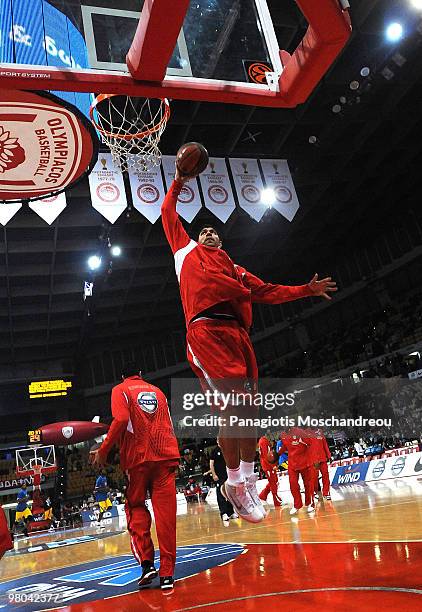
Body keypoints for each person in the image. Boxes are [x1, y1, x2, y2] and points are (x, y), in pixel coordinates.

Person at [161, 167, 337, 523]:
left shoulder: (236, 270)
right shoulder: (185, 253)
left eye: (214, 231)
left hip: (239, 337)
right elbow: (168, 213)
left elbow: (268, 291)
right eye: (203, 230)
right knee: (232, 412)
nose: (208, 232)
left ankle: (243, 479)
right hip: (206, 332)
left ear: (222, 242)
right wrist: (179, 179)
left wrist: (306, 289)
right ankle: (236, 481)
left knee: (249, 414)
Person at [90, 362, 180, 591]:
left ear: (122, 376)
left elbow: (120, 419)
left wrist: (104, 450)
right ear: (141, 374)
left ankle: (147, 563)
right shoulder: (158, 392)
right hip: (165, 456)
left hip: (138, 460)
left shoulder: (120, 390)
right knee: (166, 518)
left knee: (136, 507)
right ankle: (168, 575)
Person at [277, 428, 314, 515]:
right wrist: (277, 454)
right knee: (293, 484)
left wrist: (304, 443)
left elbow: (309, 442)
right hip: (292, 464)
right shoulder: (283, 435)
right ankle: (297, 505)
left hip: (304, 462)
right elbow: (285, 446)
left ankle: (310, 504)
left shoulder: (300, 431)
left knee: (307, 484)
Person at [210, 438, 238, 526]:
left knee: (230, 494)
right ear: (217, 441)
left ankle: (231, 512)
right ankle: (224, 513)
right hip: (219, 477)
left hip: (228, 476)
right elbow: (211, 464)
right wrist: (214, 474)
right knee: (221, 495)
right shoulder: (214, 451)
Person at [258, 434, 282, 507]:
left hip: (268, 464)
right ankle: (275, 500)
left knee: (274, 481)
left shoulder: (264, 440)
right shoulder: (263, 441)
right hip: (267, 465)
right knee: (273, 482)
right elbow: (266, 456)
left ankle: (263, 495)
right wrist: (273, 465)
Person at [310, 429, 332, 500]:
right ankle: (315, 492)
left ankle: (326, 492)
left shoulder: (320, 432)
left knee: (325, 475)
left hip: (323, 458)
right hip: (313, 460)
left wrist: (329, 455)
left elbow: (325, 444)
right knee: (314, 477)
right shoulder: (305, 433)